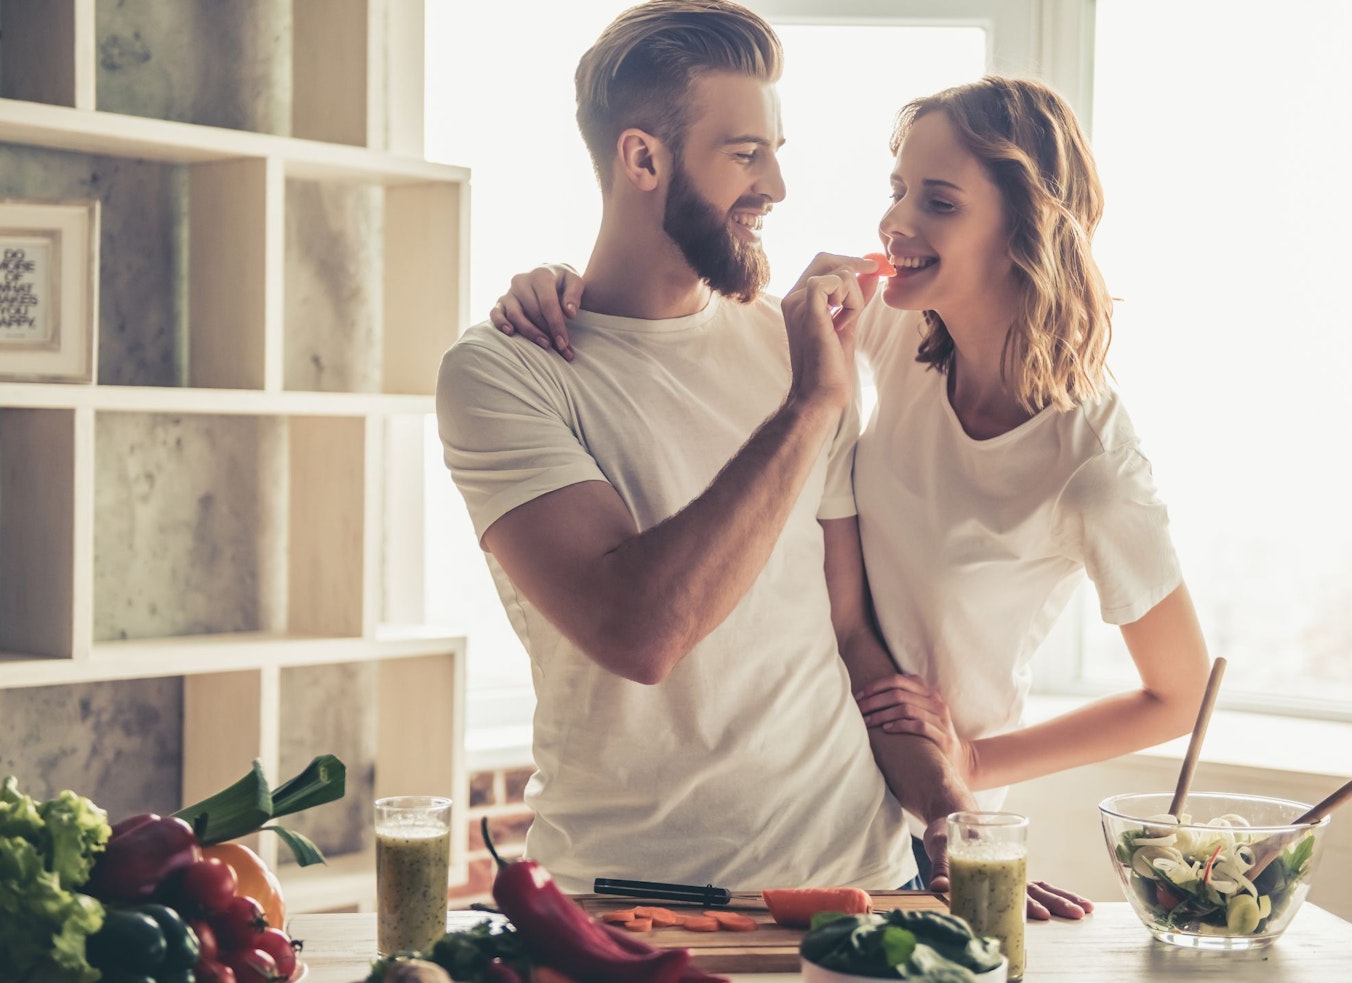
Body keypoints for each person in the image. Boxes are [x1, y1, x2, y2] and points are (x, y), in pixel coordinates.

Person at [491, 75, 1211, 913]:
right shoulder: (895, 325)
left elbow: (1181, 694)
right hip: (832, 784)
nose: (895, 223)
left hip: (927, 805)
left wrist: (976, 768)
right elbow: (694, 325)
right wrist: (555, 283)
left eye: (937, 201)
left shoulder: (1092, 461)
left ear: (1026, 227)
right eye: (898, 189)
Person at [436, 0, 981, 899]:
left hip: (862, 882)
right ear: (643, 158)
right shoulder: (505, 374)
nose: (775, 185)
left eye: (775, 150)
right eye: (745, 154)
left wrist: (951, 809)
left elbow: (846, 635)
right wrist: (809, 404)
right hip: (635, 905)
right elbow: (639, 631)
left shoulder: (798, 343)